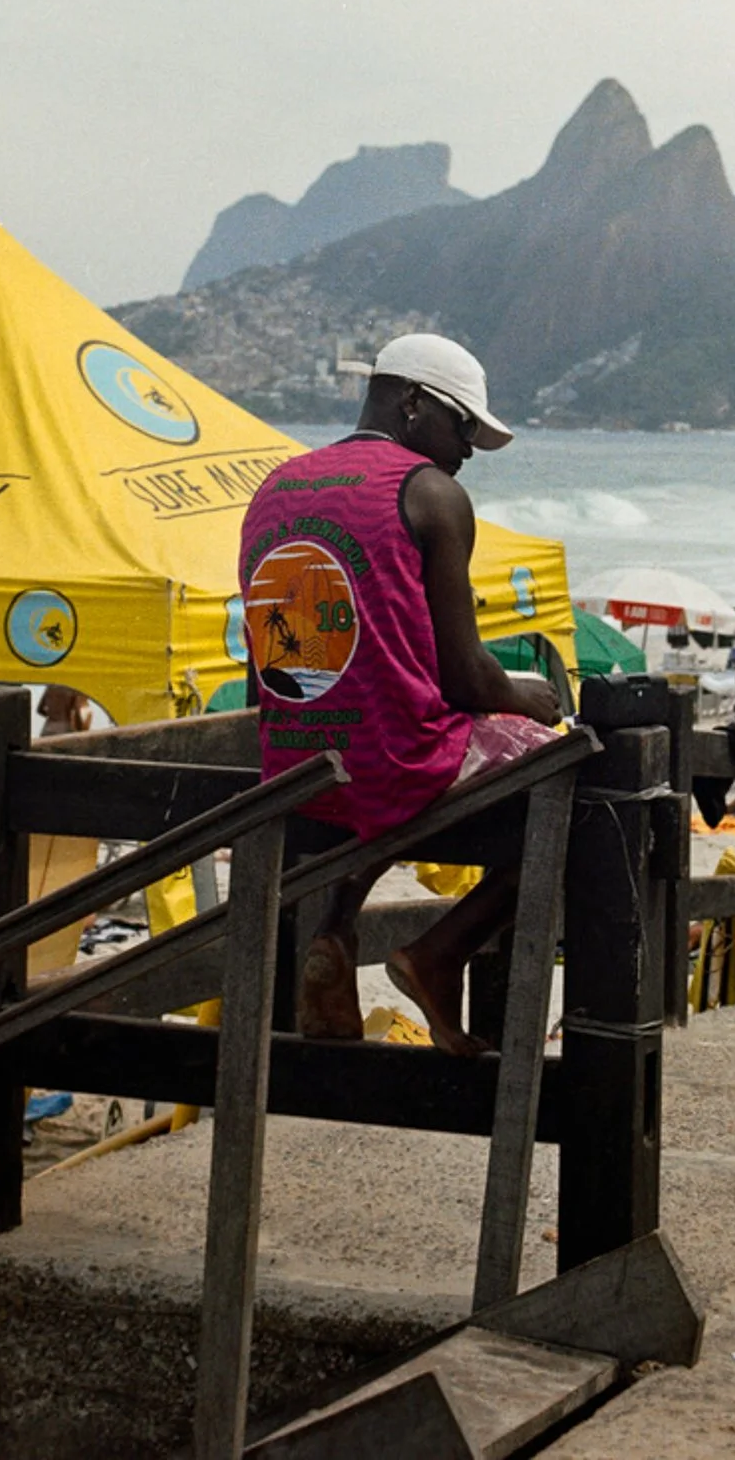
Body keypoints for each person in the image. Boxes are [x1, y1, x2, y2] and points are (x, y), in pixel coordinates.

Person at [239, 332, 561, 1055]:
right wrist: (528, 700)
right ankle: (441, 953)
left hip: (295, 766)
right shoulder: (432, 495)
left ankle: (337, 926)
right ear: (413, 404)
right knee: (578, 785)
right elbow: (466, 679)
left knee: (388, 735)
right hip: (394, 759)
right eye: (464, 427)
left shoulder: (276, 486)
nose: (469, 450)